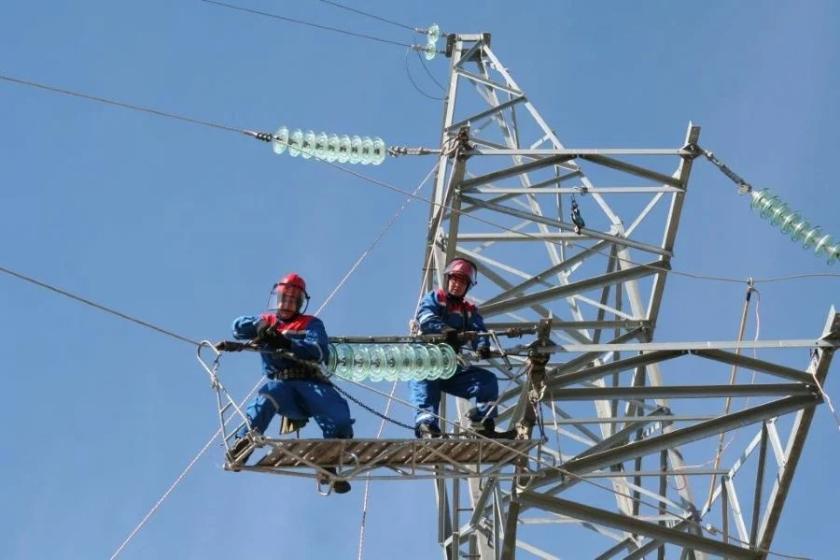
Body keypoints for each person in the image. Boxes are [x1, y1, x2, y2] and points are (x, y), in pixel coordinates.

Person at [217, 273, 354, 493]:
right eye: (284, 299)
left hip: (312, 383)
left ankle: (329, 462)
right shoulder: (268, 321)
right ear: (277, 299)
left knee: (339, 418)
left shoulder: (310, 323)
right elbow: (237, 327)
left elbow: (318, 350)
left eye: (293, 300)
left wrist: (287, 343)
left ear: (299, 303)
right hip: (283, 387)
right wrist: (259, 326)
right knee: (267, 396)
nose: (287, 304)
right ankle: (244, 443)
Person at [409, 258, 516, 439]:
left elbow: (479, 332)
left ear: (467, 287)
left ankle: (484, 424)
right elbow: (426, 318)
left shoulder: (468, 311)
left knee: (487, 381)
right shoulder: (436, 298)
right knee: (425, 386)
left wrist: (482, 346)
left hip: (449, 366)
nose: (457, 285)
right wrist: (445, 330)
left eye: (462, 283)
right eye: (455, 280)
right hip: (426, 359)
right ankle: (427, 427)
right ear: (448, 280)